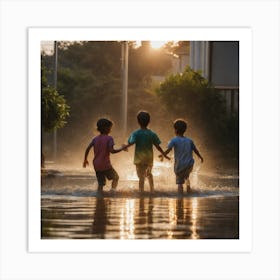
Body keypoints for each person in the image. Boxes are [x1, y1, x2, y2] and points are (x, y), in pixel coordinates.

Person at [127, 111, 170, 192]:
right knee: (149, 174)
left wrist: (124, 147)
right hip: (149, 160)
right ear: (149, 121)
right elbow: (158, 146)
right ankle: (152, 190)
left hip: (139, 160)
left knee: (141, 177)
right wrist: (164, 154)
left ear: (138, 121)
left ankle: (141, 192)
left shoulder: (135, 133)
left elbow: (131, 143)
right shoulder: (152, 134)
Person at [83, 118, 127, 192]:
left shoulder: (95, 139)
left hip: (96, 164)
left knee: (101, 183)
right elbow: (112, 151)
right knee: (116, 177)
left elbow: (87, 148)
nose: (110, 129)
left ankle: (99, 196)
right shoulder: (109, 138)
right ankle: (113, 191)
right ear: (106, 128)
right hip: (105, 164)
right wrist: (121, 148)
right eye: (110, 128)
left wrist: (85, 159)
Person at [160, 119, 203, 194]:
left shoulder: (174, 140)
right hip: (189, 165)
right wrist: (200, 157)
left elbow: (168, 149)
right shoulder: (189, 140)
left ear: (175, 130)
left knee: (180, 183)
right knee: (187, 178)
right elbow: (195, 150)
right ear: (185, 130)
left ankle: (180, 196)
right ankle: (189, 191)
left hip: (179, 166)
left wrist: (163, 155)